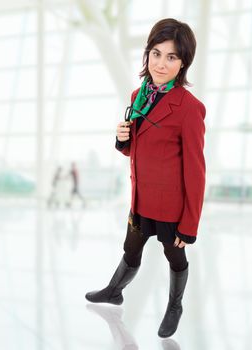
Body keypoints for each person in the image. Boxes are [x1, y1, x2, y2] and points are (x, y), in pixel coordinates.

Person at [85, 18, 206, 339]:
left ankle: (175, 305)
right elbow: (138, 148)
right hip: (141, 198)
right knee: (131, 248)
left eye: (171, 57)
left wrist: (189, 224)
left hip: (171, 205)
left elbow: (196, 171)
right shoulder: (139, 95)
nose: (161, 64)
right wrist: (123, 139)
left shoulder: (190, 108)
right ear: (147, 55)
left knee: (174, 254)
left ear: (183, 63)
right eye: (155, 53)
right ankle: (114, 291)